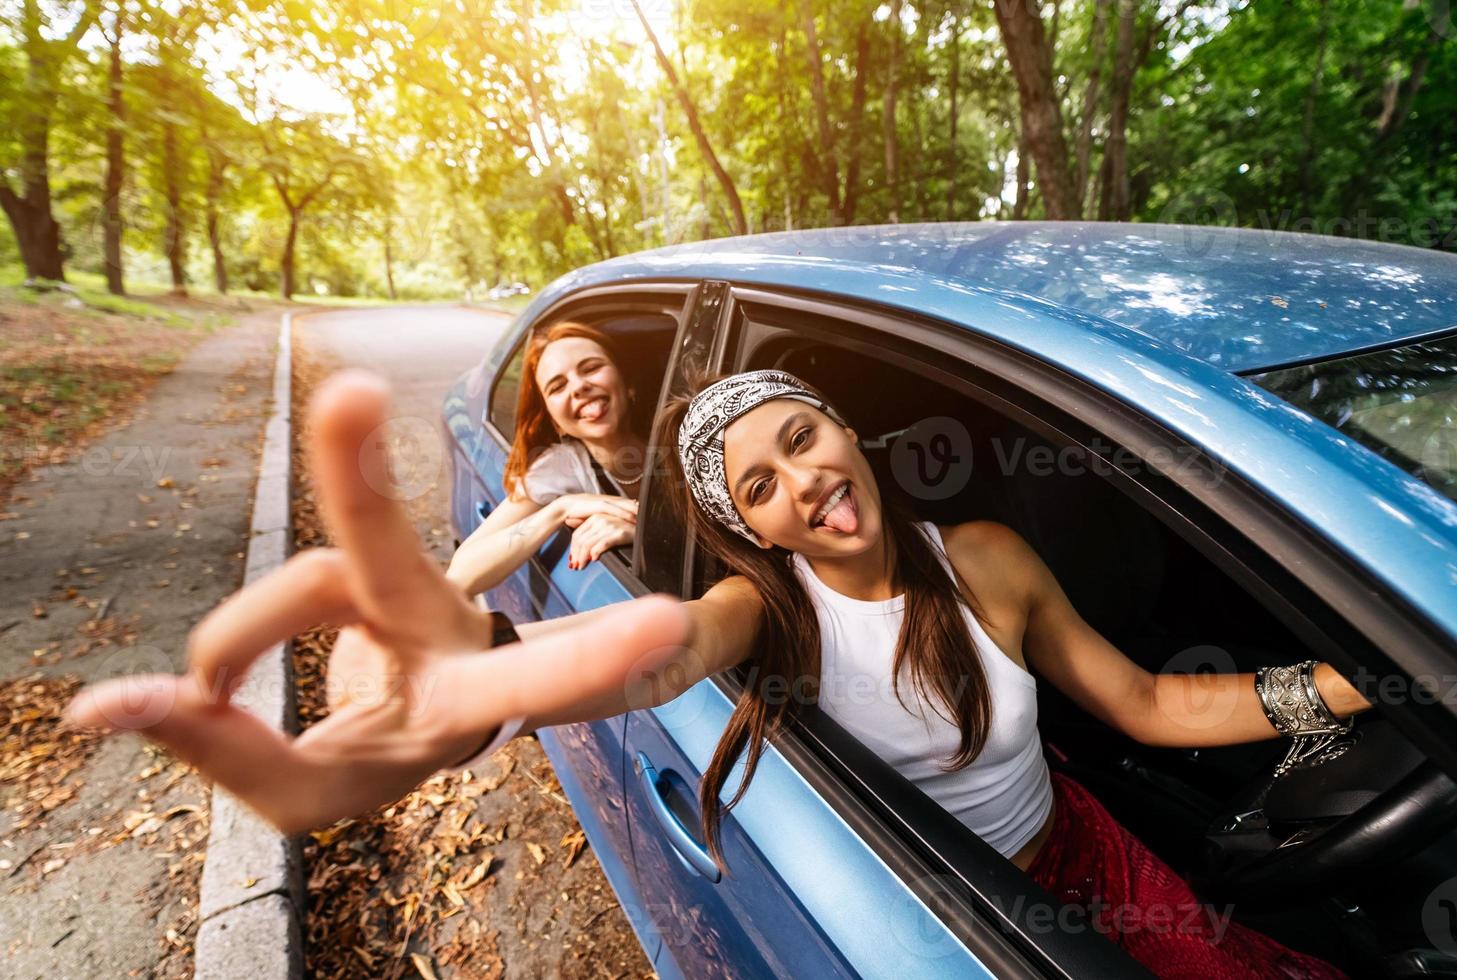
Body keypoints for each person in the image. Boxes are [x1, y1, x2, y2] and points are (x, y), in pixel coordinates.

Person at [66, 369, 1367, 978]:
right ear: (751, 530)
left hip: (1087, 859)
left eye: (803, 437)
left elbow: (1147, 703)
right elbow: (653, 652)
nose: (804, 480)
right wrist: (480, 682)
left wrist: (1358, 683)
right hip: (962, 926)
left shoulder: (984, 552)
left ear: (844, 427)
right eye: (759, 485)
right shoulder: (758, 611)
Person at [447, 320, 642, 594]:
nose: (578, 386)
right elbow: (460, 575)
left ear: (627, 382)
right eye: (557, 387)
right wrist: (560, 509)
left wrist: (645, 535)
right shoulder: (560, 468)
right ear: (556, 422)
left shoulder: (681, 441)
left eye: (591, 368)